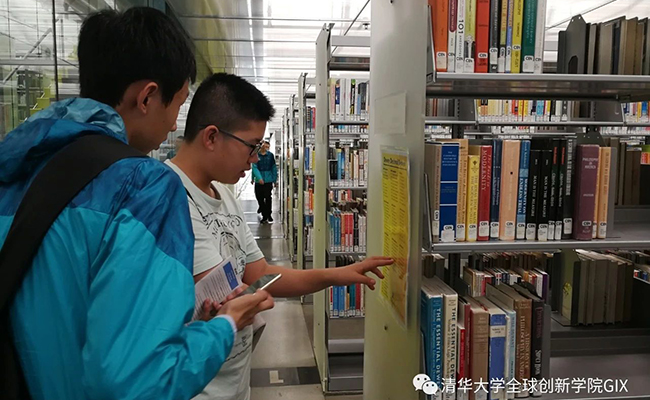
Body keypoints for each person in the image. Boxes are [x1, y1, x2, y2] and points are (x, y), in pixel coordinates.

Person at [0, 8, 273, 400]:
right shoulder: (142, 187)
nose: (174, 125)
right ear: (147, 97)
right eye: (176, 106)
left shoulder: (19, 166)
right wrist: (223, 327)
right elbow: (136, 380)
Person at [167, 72, 393, 400]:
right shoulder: (169, 200)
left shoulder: (223, 193)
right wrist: (252, 296)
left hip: (231, 383)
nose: (255, 158)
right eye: (251, 146)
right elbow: (229, 294)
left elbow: (260, 275)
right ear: (212, 137)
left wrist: (338, 274)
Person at [252, 140, 277, 223]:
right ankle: (263, 210)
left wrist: (274, 179)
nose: (264, 147)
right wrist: (258, 178)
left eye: (266, 146)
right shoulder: (255, 155)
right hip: (258, 181)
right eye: (262, 145)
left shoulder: (270, 155)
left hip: (268, 180)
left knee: (268, 197)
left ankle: (267, 215)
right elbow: (254, 168)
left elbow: (273, 168)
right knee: (259, 197)